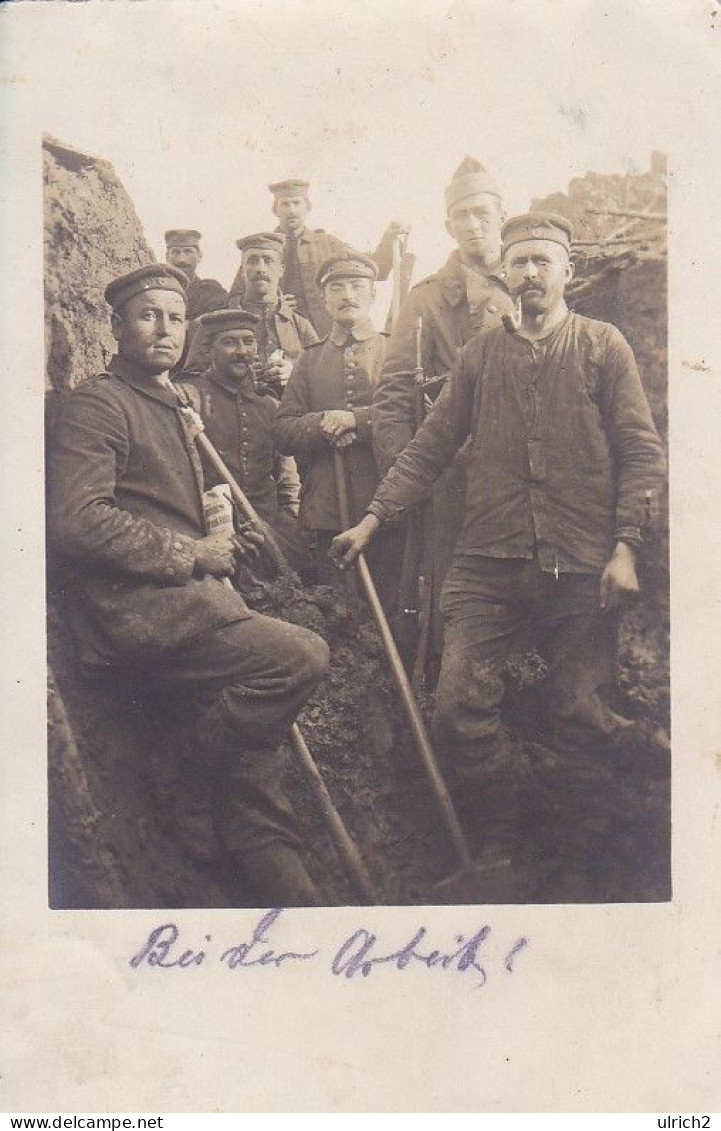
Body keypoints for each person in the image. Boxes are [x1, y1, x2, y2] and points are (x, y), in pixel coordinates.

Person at [331, 212, 666, 877]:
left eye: (543, 259)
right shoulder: (480, 355)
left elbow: (639, 451)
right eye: (519, 262)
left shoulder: (604, 346)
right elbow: (429, 445)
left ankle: (582, 857)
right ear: (504, 275)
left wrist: (624, 545)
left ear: (567, 270)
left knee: (576, 711)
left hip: (578, 562)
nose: (531, 272)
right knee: (456, 708)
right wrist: (372, 518)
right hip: (487, 562)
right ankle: (506, 831)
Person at [47, 264, 330, 906]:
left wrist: (231, 542)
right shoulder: (98, 404)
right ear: (116, 327)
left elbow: (173, 504)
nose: (164, 330)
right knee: (301, 657)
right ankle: (183, 782)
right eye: (148, 315)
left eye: (175, 318)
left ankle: (290, 892)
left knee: (255, 766)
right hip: (137, 614)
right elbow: (77, 520)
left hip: (192, 605)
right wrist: (192, 553)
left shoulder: (174, 403)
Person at [371, 157, 516, 671]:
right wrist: (403, 474)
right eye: (462, 216)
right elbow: (390, 395)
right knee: (450, 602)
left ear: (502, 214)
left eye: (483, 213)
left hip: (521, 475)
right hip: (451, 476)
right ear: (448, 225)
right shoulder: (426, 300)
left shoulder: (528, 283)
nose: (474, 225)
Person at [274, 252, 402, 608]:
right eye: (337, 287)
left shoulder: (395, 350)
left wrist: (357, 421)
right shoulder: (310, 359)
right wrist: (323, 423)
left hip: (386, 498)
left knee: (391, 608)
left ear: (373, 295)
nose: (348, 294)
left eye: (358, 286)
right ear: (325, 299)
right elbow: (283, 430)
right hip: (328, 506)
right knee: (338, 608)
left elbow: (414, 415)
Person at [177, 307, 309, 573]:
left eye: (248, 342)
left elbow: (288, 483)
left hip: (269, 534)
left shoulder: (270, 407)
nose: (241, 351)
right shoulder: (188, 398)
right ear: (208, 349)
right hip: (209, 532)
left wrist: (282, 528)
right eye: (229, 342)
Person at [228, 179, 406, 336]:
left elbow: (374, 270)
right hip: (279, 336)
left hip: (324, 335)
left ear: (308, 207)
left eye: (297, 203)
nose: (291, 210)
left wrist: (388, 239)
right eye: (285, 204)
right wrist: (273, 306)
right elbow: (235, 297)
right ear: (276, 210)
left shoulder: (326, 243)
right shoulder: (261, 250)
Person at [186, 232, 318, 382]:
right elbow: (191, 377)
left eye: (268, 261)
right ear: (242, 270)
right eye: (253, 261)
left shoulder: (301, 326)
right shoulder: (213, 323)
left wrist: (294, 371)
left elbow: (321, 375)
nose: (260, 268)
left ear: (281, 270)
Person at [164, 229, 228, 320]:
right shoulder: (158, 291)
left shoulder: (212, 291)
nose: (181, 259)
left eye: (188, 252)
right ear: (167, 257)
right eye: (175, 252)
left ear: (199, 256)